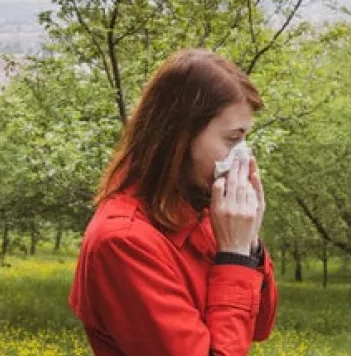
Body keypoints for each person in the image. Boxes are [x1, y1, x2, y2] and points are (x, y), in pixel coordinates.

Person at [68, 48, 278, 356]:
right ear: (181, 137)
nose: (243, 157)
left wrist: (249, 247)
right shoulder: (123, 243)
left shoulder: (200, 210)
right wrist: (234, 257)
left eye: (245, 139)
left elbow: (258, 325)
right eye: (232, 139)